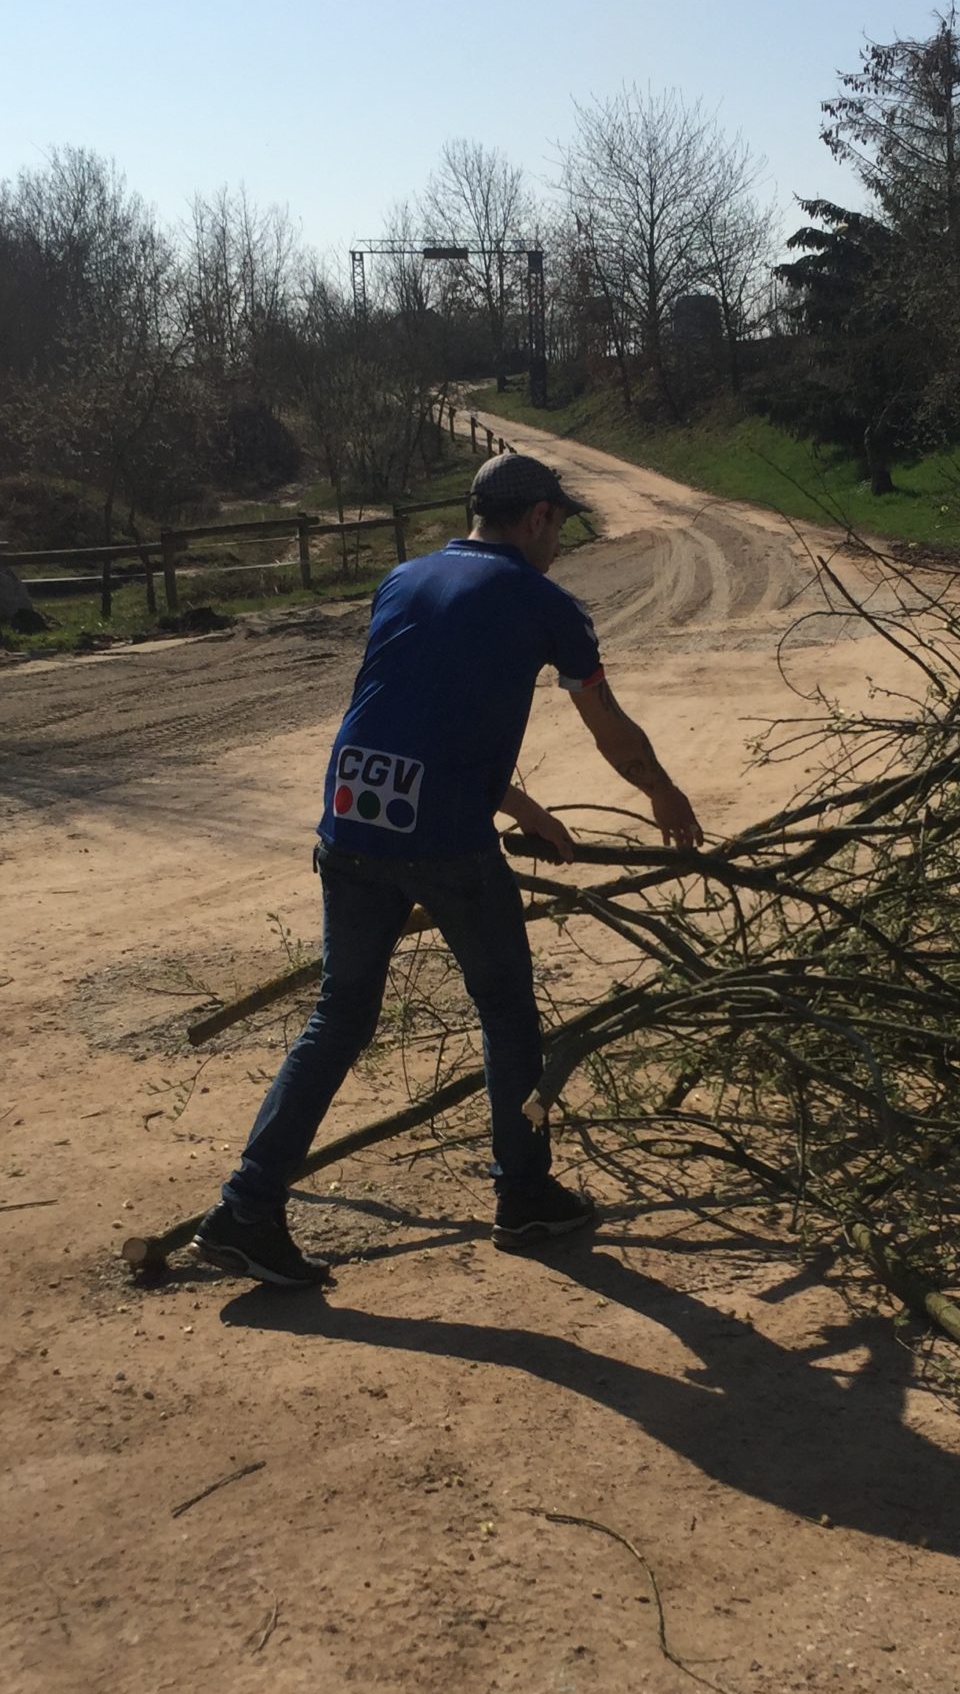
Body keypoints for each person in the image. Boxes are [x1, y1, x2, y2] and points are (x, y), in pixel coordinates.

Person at [193, 450, 702, 1288]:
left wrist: (521, 806)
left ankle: (245, 1207)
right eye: (559, 525)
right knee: (506, 1010)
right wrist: (662, 790)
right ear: (535, 516)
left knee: (340, 1016)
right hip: (443, 844)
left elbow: (413, 722)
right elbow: (608, 726)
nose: (559, 542)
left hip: (351, 826)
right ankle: (525, 1194)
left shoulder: (403, 581)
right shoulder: (546, 605)